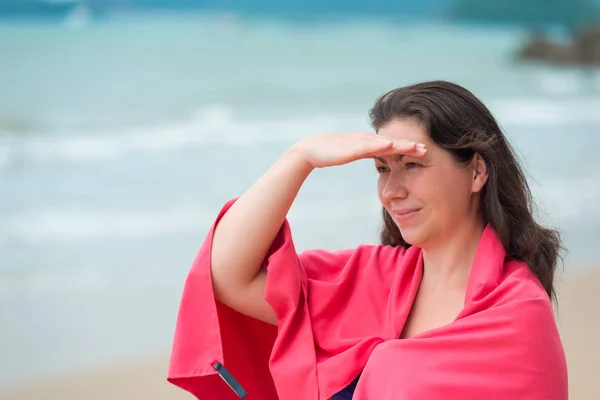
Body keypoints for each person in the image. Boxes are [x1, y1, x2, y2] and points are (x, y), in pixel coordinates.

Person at [167, 80, 568, 399]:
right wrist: (300, 158)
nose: (392, 190)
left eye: (412, 165)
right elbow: (227, 275)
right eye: (381, 169)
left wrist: (391, 368)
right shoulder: (370, 277)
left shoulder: (518, 314)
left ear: (477, 172)